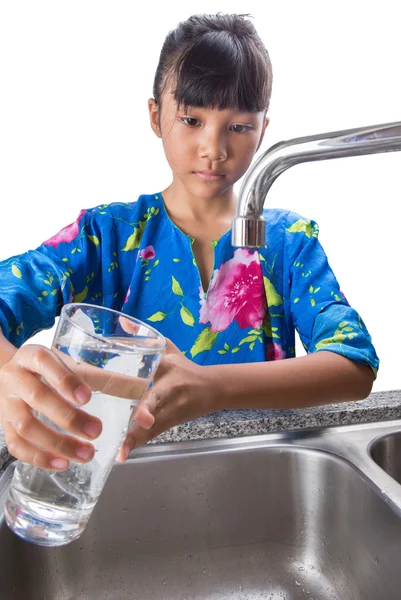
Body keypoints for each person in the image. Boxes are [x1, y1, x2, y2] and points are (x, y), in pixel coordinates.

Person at [0, 13, 378, 471]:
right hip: (118, 472)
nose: (213, 148)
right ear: (157, 117)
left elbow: (353, 364)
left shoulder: (287, 242)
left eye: (238, 126)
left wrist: (211, 386)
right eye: (192, 119)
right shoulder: (106, 236)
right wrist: (8, 375)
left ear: (264, 129)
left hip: (261, 476)